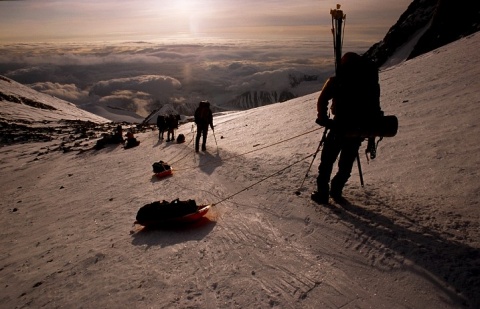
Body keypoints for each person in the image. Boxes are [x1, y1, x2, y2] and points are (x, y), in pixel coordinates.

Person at [311, 52, 383, 204]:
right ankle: (336, 191)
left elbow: (322, 99)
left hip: (338, 126)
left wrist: (323, 118)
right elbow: (375, 107)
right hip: (357, 130)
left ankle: (323, 193)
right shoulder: (369, 82)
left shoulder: (338, 81)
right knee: (346, 163)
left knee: (327, 161)